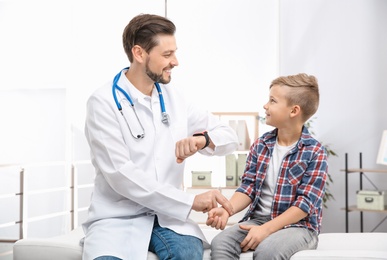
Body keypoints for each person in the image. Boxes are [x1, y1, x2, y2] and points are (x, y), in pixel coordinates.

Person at [82, 14, 239, 260]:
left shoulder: (175, 97)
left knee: (187, 255)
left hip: (169, 218)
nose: (175, 62)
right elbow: (121, 175)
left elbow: (230, 137)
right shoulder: (102, 102)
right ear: (139, 53)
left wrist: (202, 140)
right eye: (167, 55)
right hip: (118, 218)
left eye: (174, 53)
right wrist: (189, 201)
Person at [206, 73, 328, 260]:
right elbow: (248, 187)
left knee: (267, 252)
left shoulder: (315, 151)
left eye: (272, 101)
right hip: (259, 219)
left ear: (294, 111)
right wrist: (227, 209)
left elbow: (304, 205)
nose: (265, 105)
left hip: (299, 227)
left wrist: (266, 230)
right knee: (220, 243)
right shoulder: (261, 144)